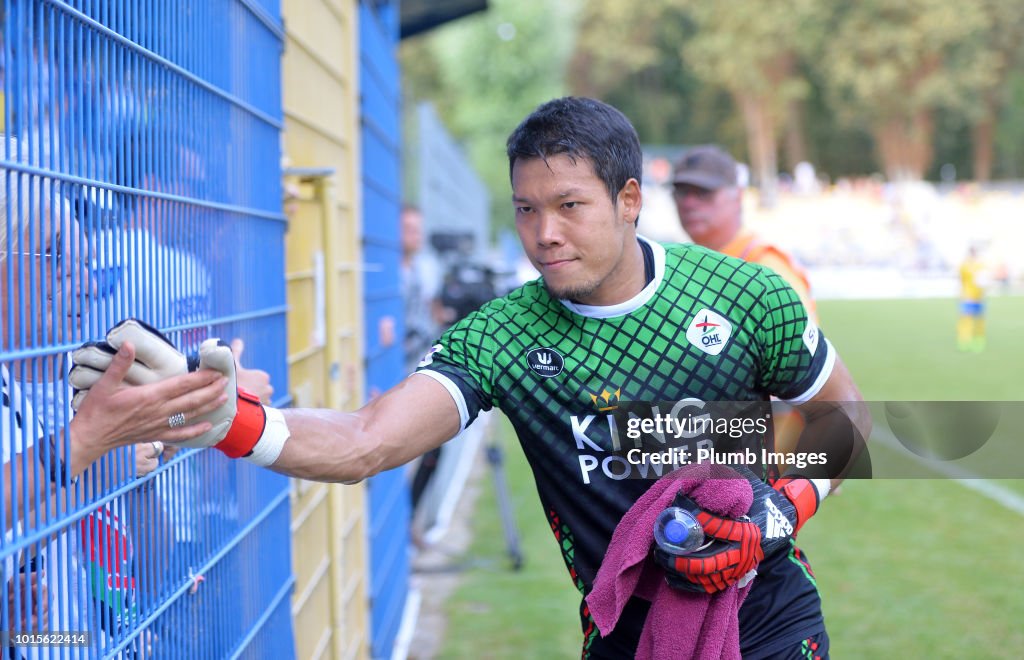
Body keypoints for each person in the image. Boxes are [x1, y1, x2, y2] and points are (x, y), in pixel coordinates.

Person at [85, 98, 871, 658]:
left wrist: (779, 510)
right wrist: (228, 420)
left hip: (769, 621)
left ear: (629, 200)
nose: (544, 235)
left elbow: (849, 421)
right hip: (625, 637)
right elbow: (366, 440)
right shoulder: (502, 336)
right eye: (526, 210)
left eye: (569, 205)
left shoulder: (745, 294)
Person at [1, 134, 228, 655]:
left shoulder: (84, 385)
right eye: (56, 257)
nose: (82, 282)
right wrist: (100, 454)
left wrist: (141, 467)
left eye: (87, 263)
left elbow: (146, 581)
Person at [672, 144, 817, 322]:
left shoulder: (766, 268)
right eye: (681, 192)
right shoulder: (684, 264)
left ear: (738, 196)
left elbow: (802, 346)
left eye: (703, 192)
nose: (689, 203)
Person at [957, 246, 987, 352]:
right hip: (967, 297)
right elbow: (960, 280)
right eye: (972, 252)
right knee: (966, 319)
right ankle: (964, 341)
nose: (973, 255)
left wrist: (983, 292)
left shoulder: (981, 266)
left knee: (979, 320)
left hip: (979, 297)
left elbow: (984, 282)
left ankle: (978, 341)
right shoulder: (964, 266)